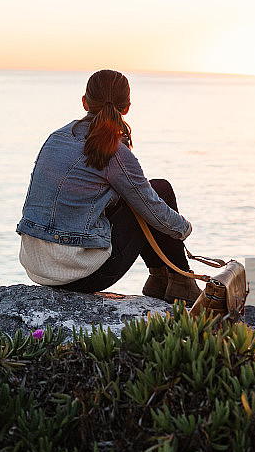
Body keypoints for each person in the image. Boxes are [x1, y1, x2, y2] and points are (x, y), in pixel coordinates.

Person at [17, 69, 202, 305]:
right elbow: (153, 208)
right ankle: (179, 282)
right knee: (159, 190)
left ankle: (161, 280)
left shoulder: (56, 138)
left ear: (84, 102)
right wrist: (184, 229)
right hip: (81, 275)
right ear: (126, 107)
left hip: (37, 266)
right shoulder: (115, 152)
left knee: (136, 195)